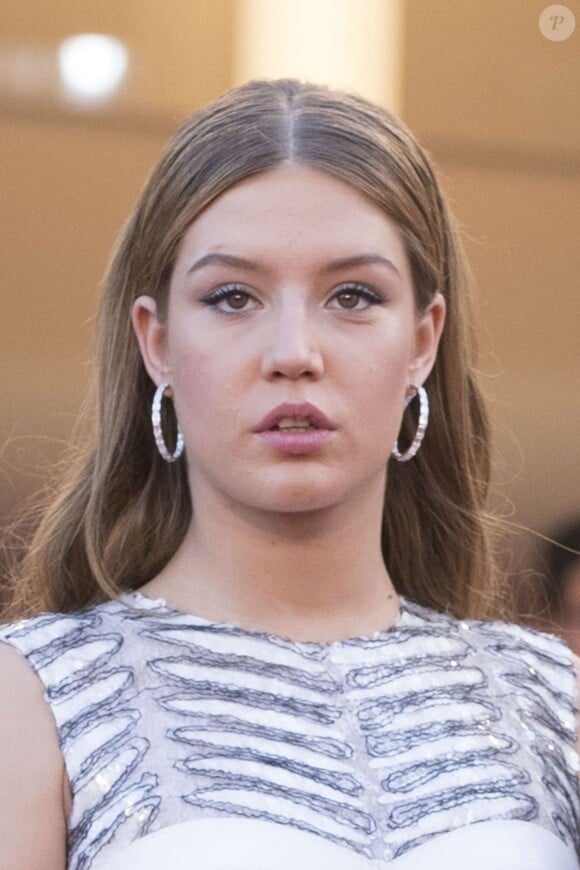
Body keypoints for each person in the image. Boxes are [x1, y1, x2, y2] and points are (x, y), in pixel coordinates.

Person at [0, 78, 578, 870]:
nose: (294, 353)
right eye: (233, 296)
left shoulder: (549, 696)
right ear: (157, 342)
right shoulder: (33, 695)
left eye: (353, 295)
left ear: (422, 340)